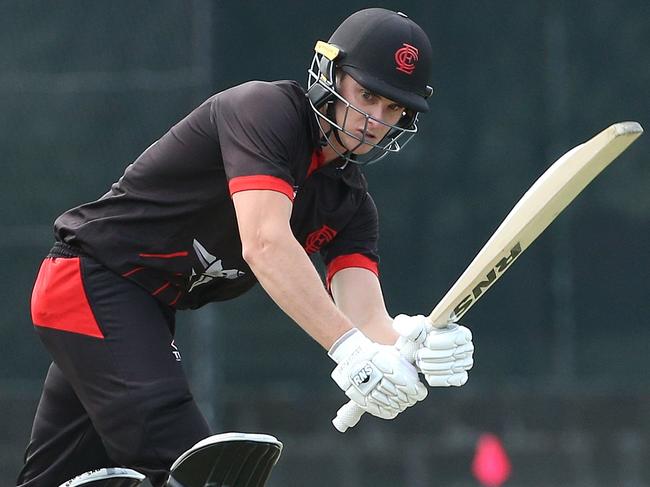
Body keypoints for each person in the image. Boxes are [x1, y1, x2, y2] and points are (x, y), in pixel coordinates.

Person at [17, 8, 474, 487]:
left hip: (141, 311)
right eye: (368, 95)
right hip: (90, 281)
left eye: (394, 108)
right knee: (197, 472)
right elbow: (265, 242)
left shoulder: (351, 204)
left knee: (57, 477)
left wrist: (411, 347)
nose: (375, 120)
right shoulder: (266, 112)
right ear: (330, 73)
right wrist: (351, 352)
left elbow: (367, 320)